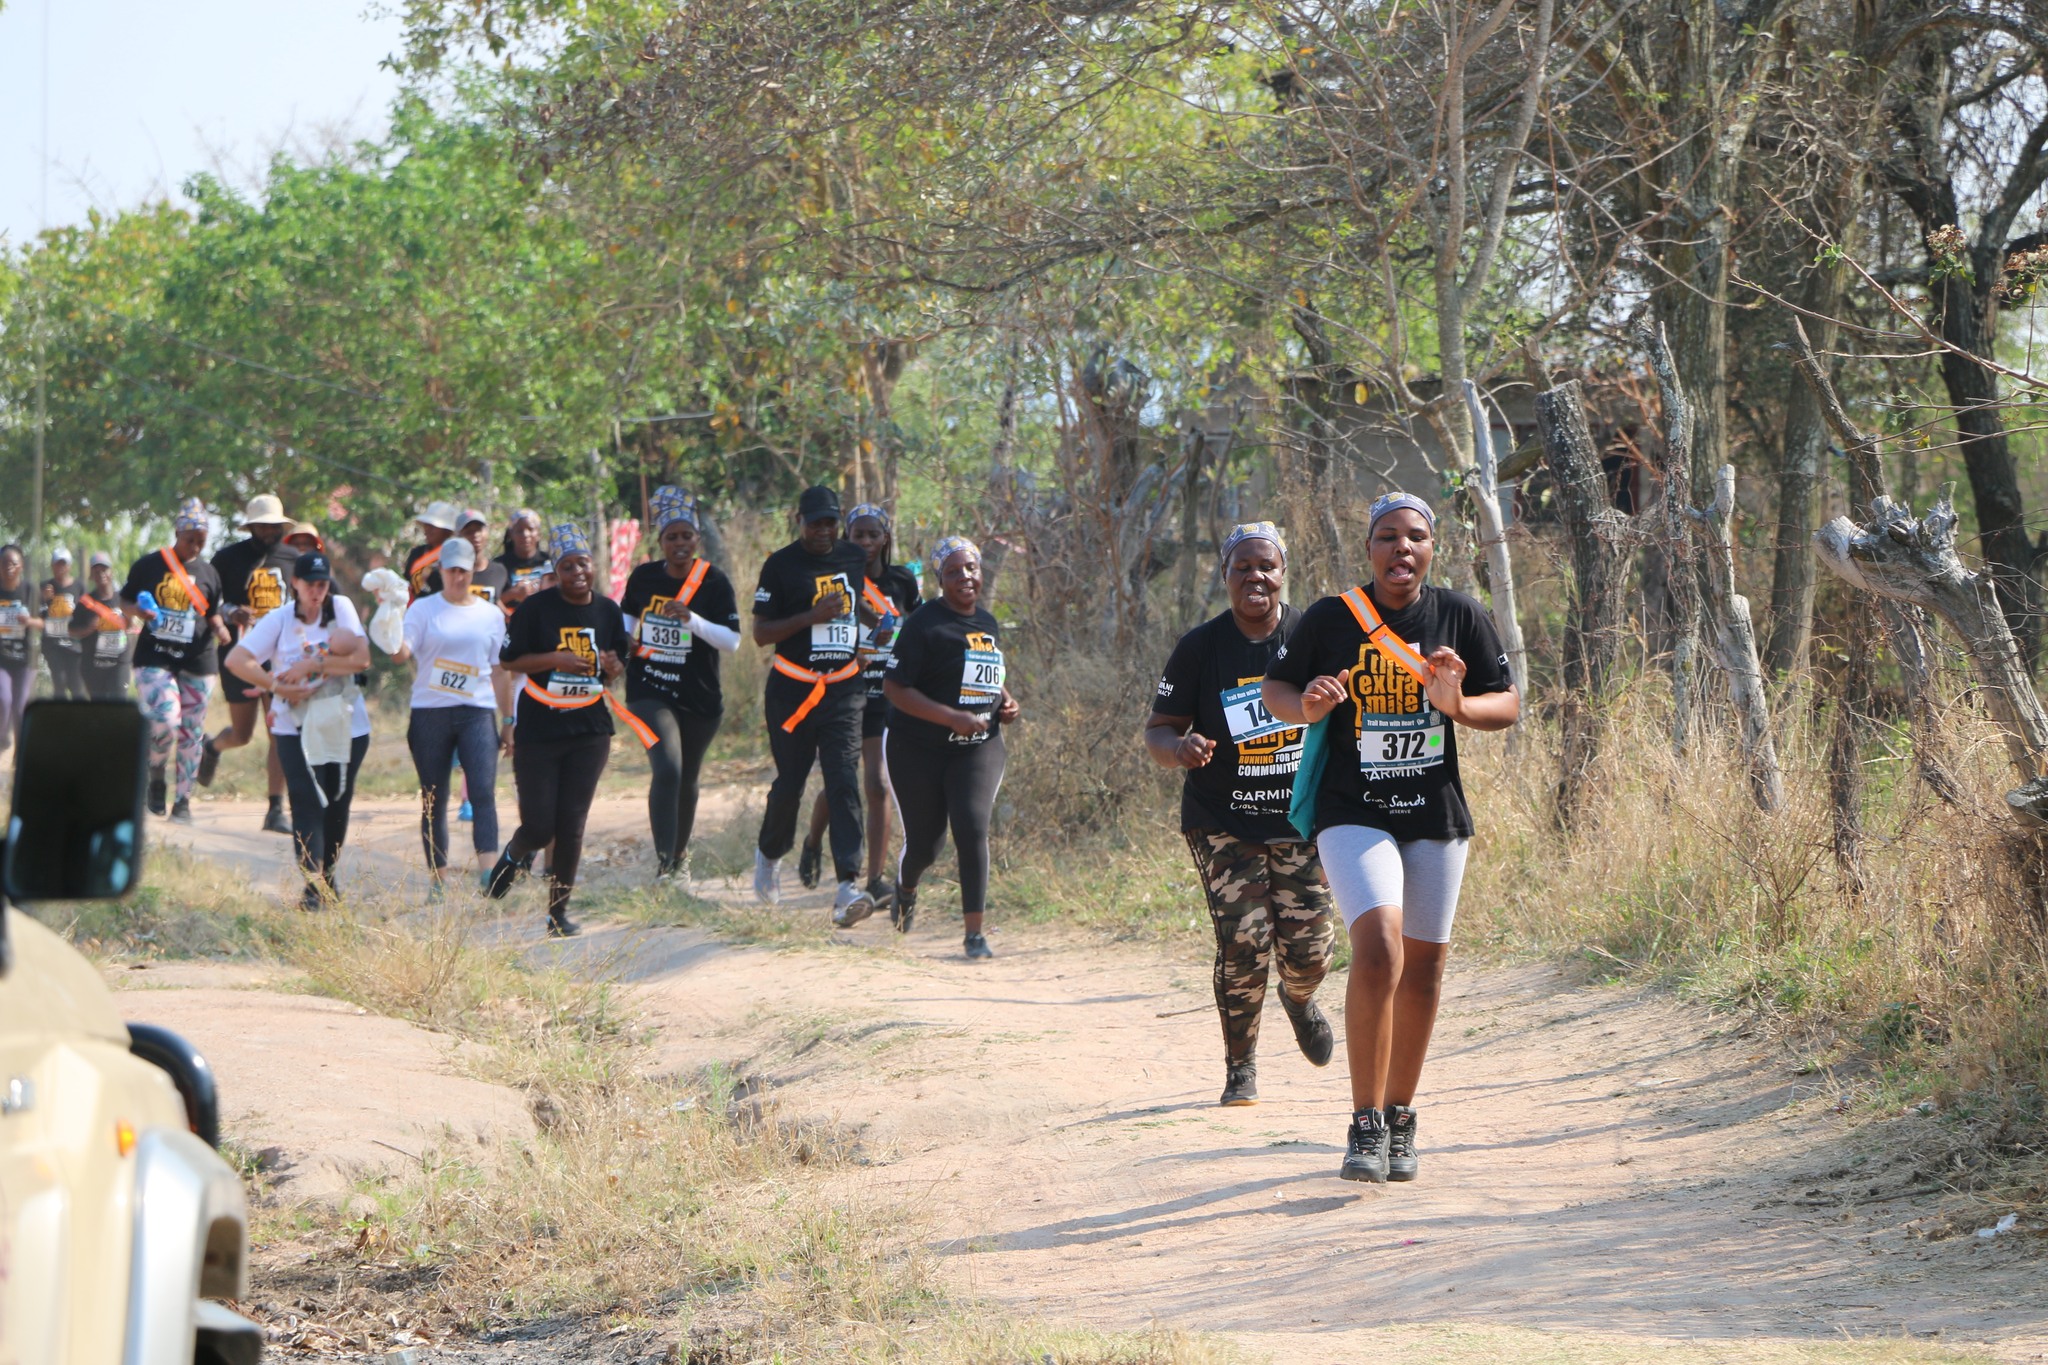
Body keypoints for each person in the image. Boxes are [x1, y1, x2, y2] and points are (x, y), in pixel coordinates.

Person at [1261, 492, 1520, 1184]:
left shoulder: (1459, 614)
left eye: (1415, 536)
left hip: (1433, 813)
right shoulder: (1331, 618)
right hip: (1353, 808)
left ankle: (1402, 1115)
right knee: (1378, 947)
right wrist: (1308, 704)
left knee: (1427, 968)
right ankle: (1364, 1120)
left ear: (1432, 548)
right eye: (1387, 536)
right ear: (1368, 548)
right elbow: (1276, 689)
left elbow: (1509, 702)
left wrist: (1457, 704)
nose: (1402, 548)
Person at [1145, 523, 1337, 1107]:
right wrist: (1179, 750)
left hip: (1301, 819)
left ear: (1283, 573)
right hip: (1222, 818)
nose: (1256, 577)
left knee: (1310, 949)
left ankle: (1300, 999)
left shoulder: (1313, 633)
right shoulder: (1200, 648)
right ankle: (1241, 1068)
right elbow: (1159, 728)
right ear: (1225, 576)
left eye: (1267, 567)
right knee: (1244, 941)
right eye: (1242, 568)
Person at [485, 523, 638, 938]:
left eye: (583, 564)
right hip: (540, 725)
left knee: (571, 824)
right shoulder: (536, 610)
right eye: (567, 566)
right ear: (557, 569)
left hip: (589, 727)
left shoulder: (608, 610)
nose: (577, 573)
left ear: (593, 565)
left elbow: (617, 667)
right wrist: (556, 657)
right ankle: (516, 852)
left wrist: (612, 667)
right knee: (540, 825)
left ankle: (558, 914)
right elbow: (511, 661)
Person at [880, 536, 1021, 958]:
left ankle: (974, 934)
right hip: (916, 748)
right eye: (955, 571)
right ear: (940, 578)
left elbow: (985, 674)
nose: (966, 577)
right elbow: (894, 687)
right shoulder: (923, 624)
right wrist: (951, 718)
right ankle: (905, 889)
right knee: (926, 844)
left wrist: (1006, 700)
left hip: (978, 746)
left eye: (972, 568)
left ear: (981, 572)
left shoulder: (988, 623)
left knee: (972, 826)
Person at [750, 485, 875, 922]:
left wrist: (876, 629)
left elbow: (857, 606)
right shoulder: (780, 566)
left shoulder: (853, 558)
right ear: (798, 520)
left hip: (843, 689)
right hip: (792, 691)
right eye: (815, 522)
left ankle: (847, 886)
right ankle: (769, 855)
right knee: (791, 782)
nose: (823, 530)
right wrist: (811, 617)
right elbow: (762, 634)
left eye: (830, 522)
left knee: (843, 781)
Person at [226, 551, 372, 908]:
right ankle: (312, 885)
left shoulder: (341, 610)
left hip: (344, 724)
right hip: (293, 726)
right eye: (310, 584)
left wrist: (314, 662)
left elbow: (362, 658)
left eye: (322, 584)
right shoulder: (278, 619)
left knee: (336, 802)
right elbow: (236, 660)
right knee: (305, 798)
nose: (317, 591)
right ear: (295, 583)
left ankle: (329, 877)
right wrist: (277, 686)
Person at [799, 503, 920, 912]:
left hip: (888, 695)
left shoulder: (904, 581)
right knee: (841, 785)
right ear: (845, 538)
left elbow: (919, 633)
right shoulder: (835, 579)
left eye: (873, 534)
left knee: (879, 783)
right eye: (858, 535)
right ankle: (813, 841)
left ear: (885, 538)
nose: (866, 542)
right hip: (845, 693)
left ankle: (876, 880)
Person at [620, 487, 743, 885]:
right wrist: (627, 645)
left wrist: (692, 621)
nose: (679, 543)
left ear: (697, 540)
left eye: (686, 536)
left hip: (700, 696)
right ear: (660, 542)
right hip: (649, 688)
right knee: (668, 767)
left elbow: (733, 641)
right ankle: (663, 866)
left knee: (688, 776)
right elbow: (624, 627)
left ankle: (679, 859)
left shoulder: (714, 581)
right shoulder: (644, 578)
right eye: (671, 537)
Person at [394, 538, 515, 896]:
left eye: (463, 570)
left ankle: (488, 874)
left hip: (477, 711)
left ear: (473, 570)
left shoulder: (490, 614)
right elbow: (402, 652)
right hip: (430, 712)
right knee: (433, 796)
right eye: (451, 571)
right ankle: (438, 879)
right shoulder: (422, 610)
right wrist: (388, 620)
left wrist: (508, 722)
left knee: (483, 792)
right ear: (441, 572)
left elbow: (500, 671)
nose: (457, 577)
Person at [122, 499, 229, 820]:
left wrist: (222, 629)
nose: (195, 546)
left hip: (198, 660)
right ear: (177, 533)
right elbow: (123, 598)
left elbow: (212, 614)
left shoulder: (209, 573)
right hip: (155, 656)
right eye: (189, 539)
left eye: (201, 540)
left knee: (192, 732)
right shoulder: (150, 565)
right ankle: (156, 773)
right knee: (165, 721)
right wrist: (137, 611)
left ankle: (183, 802)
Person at [199, 494, 298, 834]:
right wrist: (231, 613)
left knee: (279, 733)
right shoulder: (228, 558)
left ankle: (275, 809)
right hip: (241, 657)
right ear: (251, 526)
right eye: (263, 524)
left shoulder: (293, 558)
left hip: (281, 659)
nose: (270, 530)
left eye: (275, 525)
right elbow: (210, 603)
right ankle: (212, 747)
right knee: (242, 734)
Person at [68, 552, 135, 701]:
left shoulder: (122, 598)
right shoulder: (85, 603)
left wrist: (128, 616)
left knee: (119, 704)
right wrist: (88, 629)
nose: (101, 574)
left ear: (111, 572)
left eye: (104, 570)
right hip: (93, 666)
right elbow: (71, 629)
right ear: (91, 576)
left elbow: (129, 626)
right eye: (96, 571)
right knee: (100, 708)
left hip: (119, 662)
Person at [0, 545, 36, 753]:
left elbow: (44, 622)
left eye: (13, 563)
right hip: (1, 659)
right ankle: (3, 736)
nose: (9, 567)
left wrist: (29, 620)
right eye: (5, 563)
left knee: (20, 708)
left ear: (21, 566)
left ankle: (20, 756)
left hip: (24, 660)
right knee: (4, 699)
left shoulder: (30, 590)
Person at [39, 548, 86, 701]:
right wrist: (44, 600)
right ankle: (60, 718)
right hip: (52, 644)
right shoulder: (45, 587)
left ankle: (79, 720)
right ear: (52, 566)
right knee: (59, 682)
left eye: (63, 564)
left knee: (76, 686)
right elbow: (38, 616)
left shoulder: (79, 586)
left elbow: (85, 612)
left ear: (69, 566)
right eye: (57, 564)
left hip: (74, 645)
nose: (60, 567)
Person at [494, 509, 554, 613]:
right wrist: (512, 594)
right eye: (519, 530)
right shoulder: (498, 565)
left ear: (539, 533)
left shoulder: (550, 562)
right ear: (511, 534)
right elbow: (488, 603)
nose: (525, 534)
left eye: (530, 529)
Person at [404, 501, 460, 602]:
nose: (427, 530)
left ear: (446, 531)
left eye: (433, 527)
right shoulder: (417, 553)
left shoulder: (455, 556)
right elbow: (408, 583)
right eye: (426, 525)